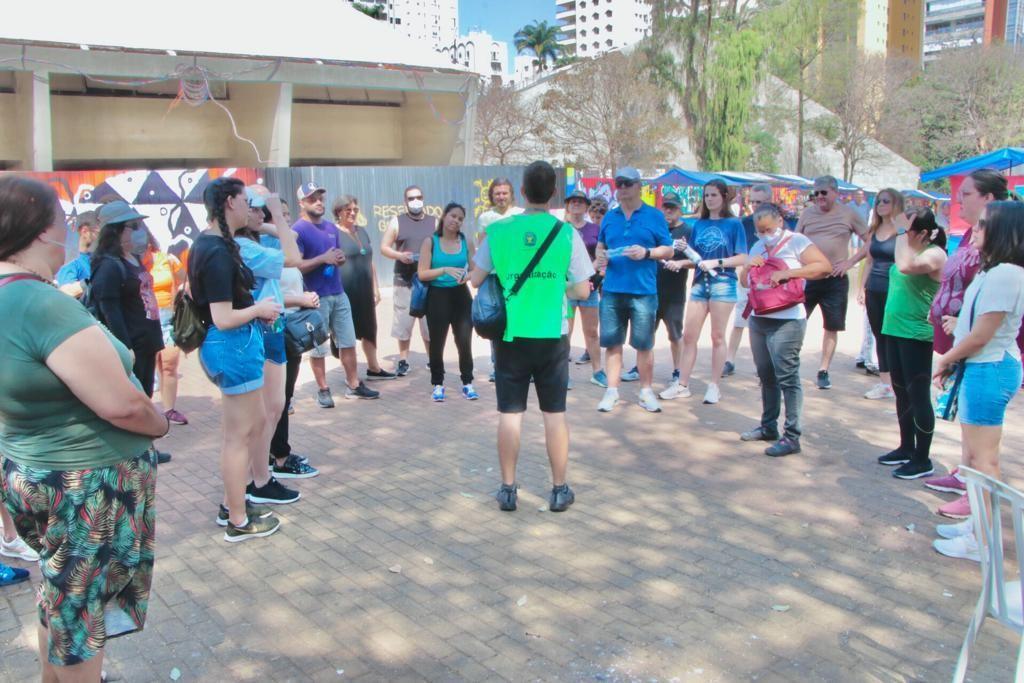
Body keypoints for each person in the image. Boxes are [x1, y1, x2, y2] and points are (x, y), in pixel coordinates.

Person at [0, 174, 169, 678]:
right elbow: (122, 406)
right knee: (82, 616)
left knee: (63, 599)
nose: (73, 235)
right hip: (86, 484)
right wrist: (158, 424)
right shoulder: (40, 303)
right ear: (40, 231)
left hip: (33, 470)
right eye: (64, 224)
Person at [470, 161, 594, 513]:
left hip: (510, 335)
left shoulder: (499, 230)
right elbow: (584, 291)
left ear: (522, 192)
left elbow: (476, 280)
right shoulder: (566, 232)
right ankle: (559, 489)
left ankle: (508, 489)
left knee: (511, 413)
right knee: (554, 413)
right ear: (553, 193)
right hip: (552, 335)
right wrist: (555, 285)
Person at [188, 176, 283, 541]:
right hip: (232, 344)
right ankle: (237, 519)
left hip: (239, 343)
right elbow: (222, 317)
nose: (251, 208)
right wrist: (258, 308)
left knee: (252, 425)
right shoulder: (214, 249)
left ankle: (235, 502)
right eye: (246, 200)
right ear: (229, 202)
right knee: (238, 436)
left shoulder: (216, 244)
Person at [932, 200, 1024, 561]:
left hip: (989, 368)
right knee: (972, 458)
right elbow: (977, 326)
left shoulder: (1006, 274)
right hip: (981, 367)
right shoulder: (994, 272)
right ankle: (976, 529)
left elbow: (983, 335)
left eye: (983, 225)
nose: (975, 230)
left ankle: (984, 541)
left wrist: (946, 359)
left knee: (984, 461)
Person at [924, 170, 1009, 519]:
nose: (960, 200)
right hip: (971, 352)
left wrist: (950, 354)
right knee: (973, 440)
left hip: (987, 357)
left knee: (984, 452)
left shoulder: (1004, 267)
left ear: (989, 199)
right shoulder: (984, 250)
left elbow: (989, 323)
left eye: (968, 194)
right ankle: (972, 502)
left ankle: (981, 528)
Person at [738, 203, 831, 456]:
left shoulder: (796, 241)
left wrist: (789, 272)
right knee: (766, 375)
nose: (764, 234)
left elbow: (823, 267)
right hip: (759, 317)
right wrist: (748, 266)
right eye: (759, 230)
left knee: (787, 377)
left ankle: (792, 436)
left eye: (768, 228)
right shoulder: (758, 246)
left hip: (788, 319)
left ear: (780, 221)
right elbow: (744, 282)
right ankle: (768, 426)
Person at [234, 186, 304, 505]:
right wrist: (274, 212)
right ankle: (257, 479)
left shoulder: (251, 240)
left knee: (274, 408)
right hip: (259, 329)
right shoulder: (241, 247)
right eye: (256, 208)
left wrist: (261, 221)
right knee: (264, 411)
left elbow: (291, 241)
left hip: (272, 325)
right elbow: (294, 255)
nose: (263, 213)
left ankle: (258, 475)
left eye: (264, 209)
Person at [594, 167, 674, 413]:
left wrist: (647, 253)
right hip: (612, 290)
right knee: (612, 343)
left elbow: (669, 250)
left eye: (628, 183)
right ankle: (612, 391)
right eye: (619, 183)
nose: (623, 188)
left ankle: (646, 391)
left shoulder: (654, 216)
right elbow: (600, 246)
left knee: (644, 345)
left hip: (643, 291)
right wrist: (601, 258)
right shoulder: (610, 217)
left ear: (639, 186)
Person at [874, 208, 947, 480]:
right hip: (893, 329)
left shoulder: (935, 254)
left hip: (916, 333)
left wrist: (902, 233)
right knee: (901, 391)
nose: (904, 234)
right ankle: (906, 447)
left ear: (925, 233)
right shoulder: (907, 247)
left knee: (918, 394)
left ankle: (922, 458)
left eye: (910, 230)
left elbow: (906, 267)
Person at [293, 183, 379, 405]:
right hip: (315, 298)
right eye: (312, 199)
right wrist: (323, 259)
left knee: (348, 341)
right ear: (301, 203)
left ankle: (353, 384)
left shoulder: (331, 228)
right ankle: (323, 389)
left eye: (321, 197)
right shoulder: (298, 230)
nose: (319, 202)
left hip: (338, 293)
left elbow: (335, 257)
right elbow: (295, 266)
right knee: (318, 347)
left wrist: (338, 259)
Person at [675, 179, 748, 404]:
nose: (709, 199)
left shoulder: (734, 224)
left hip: (723, 283)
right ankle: (682, 384)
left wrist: (717, 262)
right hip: (699, 283)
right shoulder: (699, 225)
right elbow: (696, 259)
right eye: (706, 195)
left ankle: (714, 385)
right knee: (689, 335)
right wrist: (682, 254)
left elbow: (742, 257)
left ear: (724, 197)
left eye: (714, 195)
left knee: (717, 336)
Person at [796, 175, 869, 390]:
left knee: (832, 326)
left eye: (823, 193)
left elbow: (870, 240)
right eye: (816, 193)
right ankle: (789, 364)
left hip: (835, 279)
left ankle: (823, 370)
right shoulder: (807, 214)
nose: (819, 197)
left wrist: (850, 262)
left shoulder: (848, 213)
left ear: (835, 193)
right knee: (797, 321)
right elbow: (793, 240)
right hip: (809, 278)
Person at [269, 234, 321, 480]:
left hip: (291, 326)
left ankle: (273, 453)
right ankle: (279, 457)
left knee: (284, 396)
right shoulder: (262, 252)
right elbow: (263, 294)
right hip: (277, 328)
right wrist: (300, 299)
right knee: (278, 398)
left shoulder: (281, 250)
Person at [418, 202, 478, 401]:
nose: (456, 221)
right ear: (444, 216)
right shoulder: (431, 241)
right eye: (453, 216)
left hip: (461, 295)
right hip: (437, 296)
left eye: (460, 218)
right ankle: (437, 383)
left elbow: (475, 269)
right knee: (437, 342)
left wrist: (466, 277)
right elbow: (422, 274)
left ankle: (467, 382)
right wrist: (444, 270)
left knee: (464, 340)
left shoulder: (465, 241)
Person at [333, 195, 395, 380]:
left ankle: (373, 368)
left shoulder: (362, 231)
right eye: (348, 210)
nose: (352, 213)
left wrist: (375, 287)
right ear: (338, 212)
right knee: (345, 333)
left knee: (369, 328)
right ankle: (350, 375)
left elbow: (370, 260)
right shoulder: (333, 233)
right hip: (345, 290)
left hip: (365, 289)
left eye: (355, 210)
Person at [380, 185, 435, 377]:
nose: (415, 201)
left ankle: (432, 359)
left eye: (418, 197)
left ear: (423, 198)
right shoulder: (397, 221)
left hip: (428, 280)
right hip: (404, 278)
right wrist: (399, 255)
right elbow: (384, 247)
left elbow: (443, 245)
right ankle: (403, 360)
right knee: (403, 321)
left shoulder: (434, 222)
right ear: (405, 202)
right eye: (411, 198)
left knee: (429, 322)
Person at [858, 188, 905, 401]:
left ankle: (898, 381)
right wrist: (861, 288)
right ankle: (885, 383)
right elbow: (868, 260)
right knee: (879, 334)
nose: (881, 205)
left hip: (895, 288)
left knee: (893, 335)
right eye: (878, 201)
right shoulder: (875, 228)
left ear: (896, 203)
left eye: (886, 201)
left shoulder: (903, 225)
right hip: (874, 287)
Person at [724, 184, 773, 378]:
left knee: (766, 324)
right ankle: (729, 360)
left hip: (770, 283)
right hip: (747, 279)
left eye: (759, 202)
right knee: (739, 320)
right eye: (752, 201)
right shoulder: (743, 223)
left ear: (768, 201)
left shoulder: (778, 224)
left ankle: (765, 364)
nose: (754, 205)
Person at [564, 189, 604, 386]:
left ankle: (598, 371)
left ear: (587, 206)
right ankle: (563, 374)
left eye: (580, 201)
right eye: (573, 201)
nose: (576, 204)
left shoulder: (595, 229)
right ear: (568, 205)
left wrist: (590, 276)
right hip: (567, 287)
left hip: (589, 285)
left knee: (592, 331)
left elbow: (602, 255)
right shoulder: (561, 228)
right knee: (565, 332)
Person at [147, 234, 189, 424]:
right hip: (145, 317)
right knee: (150, 366)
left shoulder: (167, 260)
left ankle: (169, 410)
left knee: (169, 364)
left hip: (168, 315)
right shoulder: (133, 262)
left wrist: (182, 293)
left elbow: (184, 281)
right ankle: (147, 412)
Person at [656, 191, 693, 399]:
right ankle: (639, 367)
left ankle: (678, 371)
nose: (668, 211)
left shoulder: (688, 230)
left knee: (675, 334)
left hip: (675, 292)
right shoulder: (658, 230)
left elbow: (697, 260)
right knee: (645, 334)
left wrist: (679, 262)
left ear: (680, 210)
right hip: (653, 289)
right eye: (666, 207)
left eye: (673, 208)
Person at [55, 210, 98, 298]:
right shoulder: (70, 261)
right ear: (85, 231)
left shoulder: (94, 257)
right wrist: (97, 280)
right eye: (99, 232)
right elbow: (65, 291)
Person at [474, 177, 525, 245]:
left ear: (511, 195)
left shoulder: (522, 214)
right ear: (492, 196)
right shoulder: (484, 218)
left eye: (504, 193)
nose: (501, 197)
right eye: (497, 194)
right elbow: (482, 247)